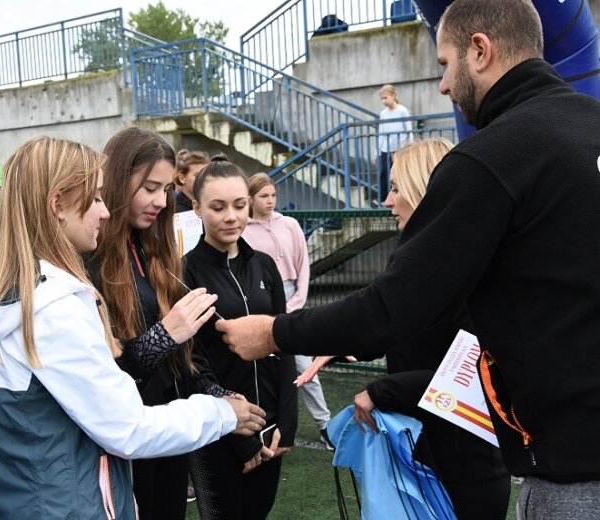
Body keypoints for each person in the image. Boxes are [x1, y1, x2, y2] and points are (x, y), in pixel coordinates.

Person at [217, 0, 600, 516]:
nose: (443, 85)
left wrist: (273, 333)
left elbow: (391, 309)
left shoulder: (493, 158)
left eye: (444, 64)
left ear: (480, 51)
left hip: (573, 471)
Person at [0, 135, 266, 519]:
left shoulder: (22, 293)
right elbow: (127, 427)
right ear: (57, 204)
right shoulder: (55, 306)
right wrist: (221, 412)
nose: (105, 211)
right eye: (95, 198)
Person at [298, 138, 510, 519]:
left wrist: (382, 391)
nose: (386, 200)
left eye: (395, 188)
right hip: (421, 456)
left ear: (425, 190)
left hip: (463, 469)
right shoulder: (422, 259)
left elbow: (472, 375)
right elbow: (405, 328)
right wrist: (350, 344)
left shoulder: (468, 267)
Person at [91, 127, 227, 518]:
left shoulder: (153, 247)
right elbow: (107, 373)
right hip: (127, 436)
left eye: (167, 189)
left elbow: (181, 357)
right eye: (150, 187)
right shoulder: (92, 257)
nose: (161, 201)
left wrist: (218, 393)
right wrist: (167, 333)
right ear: (117, 181)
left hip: (169, 425)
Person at [184, 156, 298, 519]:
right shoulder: (184, 271)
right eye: (218, 207)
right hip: (218, 436)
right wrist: (239, 434)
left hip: (270, 428)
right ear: (197, 208)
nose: (231, 216)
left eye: (239, 205)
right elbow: (191, 362)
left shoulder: (264, 265)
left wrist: (288, 422)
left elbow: (284, 341)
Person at [242, 172, 334, 451]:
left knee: (304, 368)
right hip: (260, 304)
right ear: (250, 199)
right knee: (261, 370)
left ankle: (325, 425)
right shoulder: (243, 229)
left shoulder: (290, 224)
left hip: (291, 300)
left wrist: (296, 303)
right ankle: (261, 429)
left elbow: (303, 264)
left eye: (273, 196)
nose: (270, 201)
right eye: (263, 196)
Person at [376, 84, 412, 204]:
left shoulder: (402, 111)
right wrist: (377, 151)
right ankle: (383, 199)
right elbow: (381, 132)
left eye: (385, 98)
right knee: (383, 174)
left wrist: (410, 147)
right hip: (386, 149)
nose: (383, 101)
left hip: (399, 149)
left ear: (393, 96)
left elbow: (409, 130)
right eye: (382, 99)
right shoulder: (383, 113)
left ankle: (402, 197)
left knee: (399, 175)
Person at [173, 148, 209, 212]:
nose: (204, 179)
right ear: (182, 178)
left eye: (206, 174)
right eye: (197, 175)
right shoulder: (174, 210)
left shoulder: (209, 206)